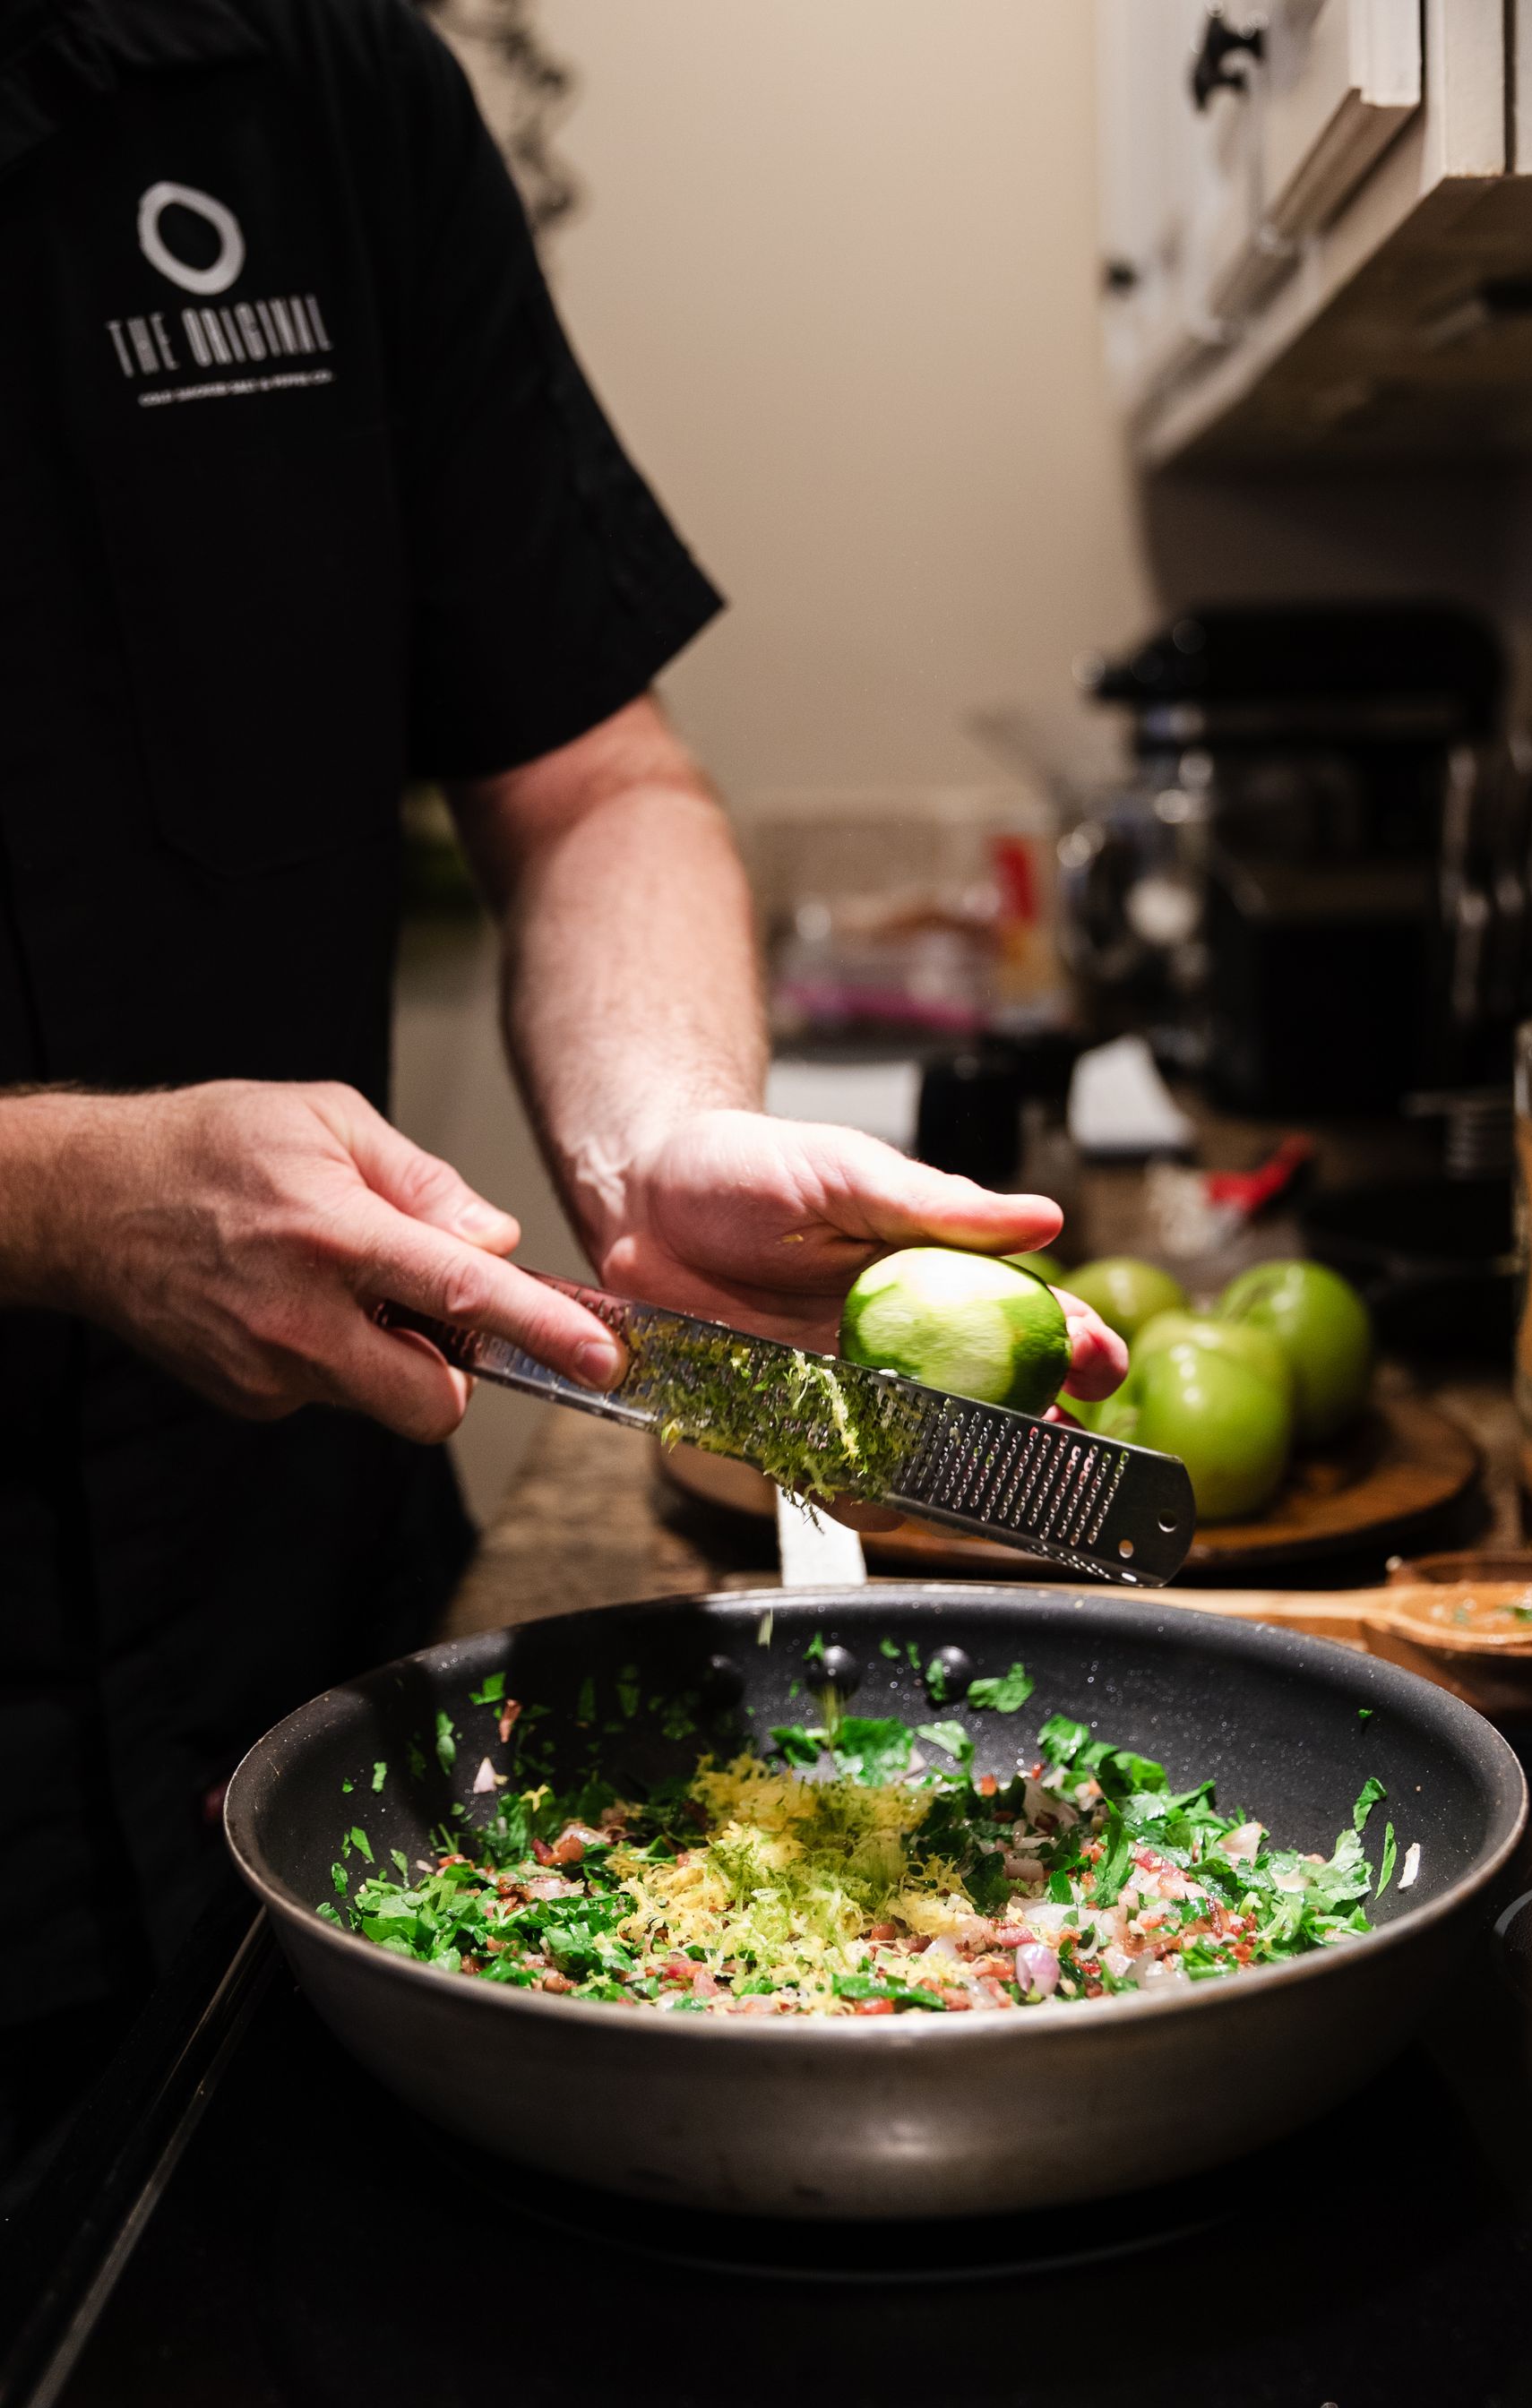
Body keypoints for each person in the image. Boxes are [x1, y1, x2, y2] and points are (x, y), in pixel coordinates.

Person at [0, 0, 1123, 2180]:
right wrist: (63, 1194)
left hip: (334, 1706)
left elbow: (593, 776)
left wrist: (657, 1146)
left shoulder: (321, 79)